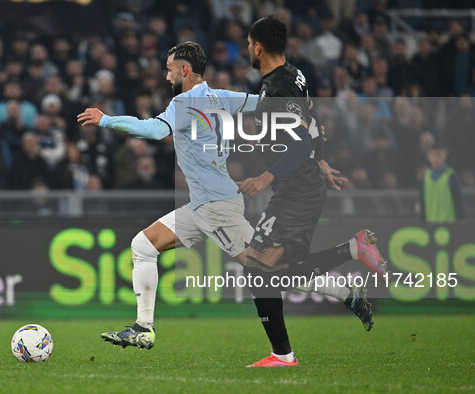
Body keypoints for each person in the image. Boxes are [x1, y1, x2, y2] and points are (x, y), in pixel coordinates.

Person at [78, 41, 370, 352]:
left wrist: (106, 120)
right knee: (144, 244)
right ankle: (143, 328)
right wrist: (308, 126)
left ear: (185, 70)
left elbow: (152, 130)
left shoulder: (185, 104)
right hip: (203, 204)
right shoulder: (223, 98)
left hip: (218, 208)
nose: (167, 76)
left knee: (271, 271)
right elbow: (271, 104)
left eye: (169, 69)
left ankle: (347, 290)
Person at [236, 16, 388, 368]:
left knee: (257, 267)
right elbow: (313, 122)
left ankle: (283, 355)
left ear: (257, 47)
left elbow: (301, 140)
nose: (247, 49)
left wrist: (267, 178)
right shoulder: (294, 75)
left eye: (248, 43)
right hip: (300, 186)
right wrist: (320, 159)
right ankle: (352, 253)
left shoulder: (277, 89)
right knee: (277, 267)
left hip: (295, 191)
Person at [420, 144, 465, 223]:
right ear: (428, 156)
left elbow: (459, 203)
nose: (435, 159)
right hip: (430, 225)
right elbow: (422, 203)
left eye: (438, 155)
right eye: (432, 155)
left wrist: (460, 223)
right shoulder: (425, 177)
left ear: (444, 155)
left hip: (449, 226)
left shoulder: (451, 176)